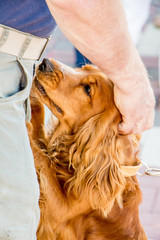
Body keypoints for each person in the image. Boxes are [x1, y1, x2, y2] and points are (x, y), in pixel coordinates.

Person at [0, 0, 155, 239]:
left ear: (98, 126)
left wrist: (33, 134)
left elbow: (55, 217)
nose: (60, 69)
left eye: (87, 89)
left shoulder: (101, 171)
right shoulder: (89, 147)